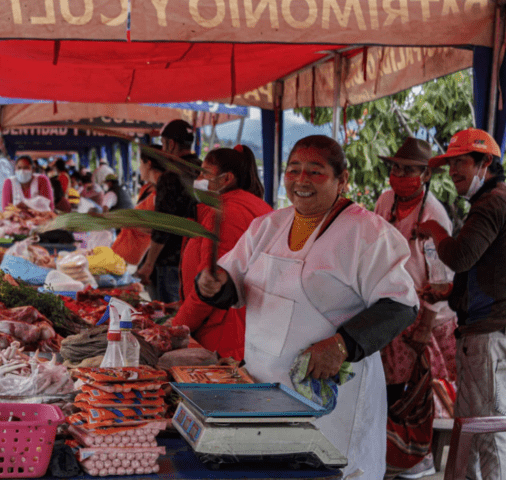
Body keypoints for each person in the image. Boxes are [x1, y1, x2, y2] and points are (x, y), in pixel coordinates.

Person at [197, 135, 419, 478]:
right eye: (293, 170)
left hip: (330, 398)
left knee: (329, 468)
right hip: (263, 388)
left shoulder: (367, 233)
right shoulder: (267, 226)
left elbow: (401, 304)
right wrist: (214, 284)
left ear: (341, 179)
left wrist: (342, 345)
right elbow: (232, 280)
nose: (300, 180)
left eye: (315, 172)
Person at [416, 128, 506, 480]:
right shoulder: (492, 201)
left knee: (487, 429)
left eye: (461, 163)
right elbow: (489, 269)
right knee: (471, 425)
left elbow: (461, 255)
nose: (454, 172)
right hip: (485, 330)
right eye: (450, 164)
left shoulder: (492, 203)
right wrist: (450, 292)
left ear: (485, 163)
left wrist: (436, 230)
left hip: (488, 334)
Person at [374, 138, 458, 478]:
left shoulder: (435, 214)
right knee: (389, 390)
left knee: (417, 392)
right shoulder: (385, 200)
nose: (399, 174)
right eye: (395, 167)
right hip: (391, 311)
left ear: (424, 175)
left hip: (424, 317)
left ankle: (417, 456)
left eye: (408, 170)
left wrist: (424, 326)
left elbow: (440, 276)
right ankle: (395, 453)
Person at [171, 145, 272, 361]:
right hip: (244, 332)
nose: (199, 178)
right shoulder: (252, 206)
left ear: (226, 179)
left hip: (224, 338)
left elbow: (210, 286)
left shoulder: (226, 213)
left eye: (204, 173)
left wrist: (176, 327)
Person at [135, 121, 200, 303]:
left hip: (171, 262)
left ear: (171, 144)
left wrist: (148, 264)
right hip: (198, 257)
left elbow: (163, 225)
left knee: (167, 316)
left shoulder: (171, 175)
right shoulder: (203, 170)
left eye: (163, 145)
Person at [111, 146, 161, 266]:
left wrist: (128, 221)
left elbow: (159, 229)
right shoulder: (147, 188)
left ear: (148, 164)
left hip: (136, 260)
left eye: (140, 163)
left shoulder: (160, 194)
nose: (139, 168)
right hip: (121, 254)